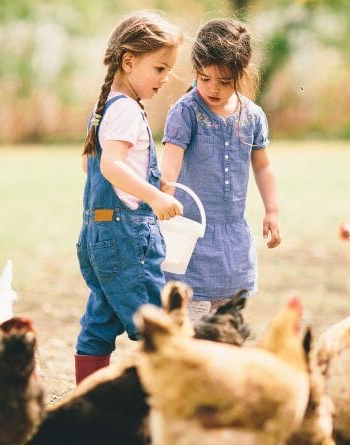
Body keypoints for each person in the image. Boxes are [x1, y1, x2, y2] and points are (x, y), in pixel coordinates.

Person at [75, 11, 184, 384]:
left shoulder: (107, 106)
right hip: (125, 239)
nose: (165, 78)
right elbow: (111, 166)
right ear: (129, 61)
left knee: (101, 321)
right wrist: (153, 196)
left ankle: (88, 397)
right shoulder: (125, 111)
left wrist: (149, 185)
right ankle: (163, 401)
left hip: (99, 237)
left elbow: (96, 169)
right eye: (160, 68)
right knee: (156, 323)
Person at [160, 18, 281, 322]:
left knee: (228, 327)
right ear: (195, 70)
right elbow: (170, 166)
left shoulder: (252, 116)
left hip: (233, 242)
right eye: (204, 78)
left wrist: (272, 211)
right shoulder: (186, 112)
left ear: (241, 75)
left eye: (224, 82)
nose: (213, 88)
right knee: (193, 325)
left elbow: (263, 166)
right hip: (191, 237)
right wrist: (163, 202)